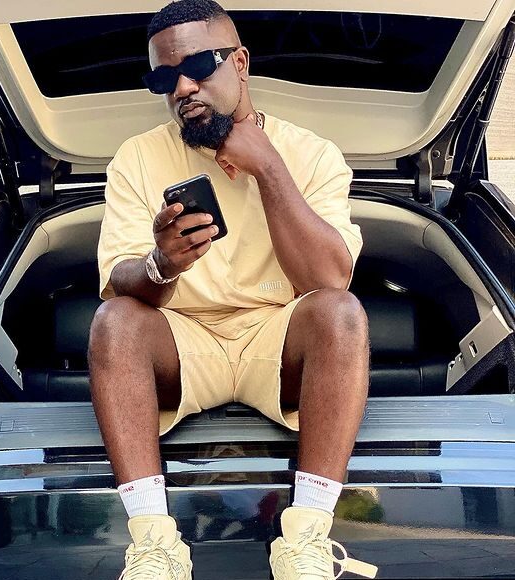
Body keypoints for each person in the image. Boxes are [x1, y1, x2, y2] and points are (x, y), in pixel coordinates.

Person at [90, 1, 377, 578]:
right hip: (184, 343)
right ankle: (154, 546)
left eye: (199, 66)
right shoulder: (138, 157)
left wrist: (268, 168)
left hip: (278, 341)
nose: (183, 88)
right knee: (113, 321)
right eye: (164, 78)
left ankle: (305, 541)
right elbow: (118, 278)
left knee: (341, 313)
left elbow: (328, 280)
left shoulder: (312, 154)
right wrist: (161, 265)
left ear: (240, 63)